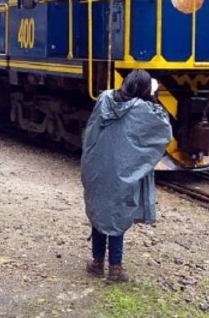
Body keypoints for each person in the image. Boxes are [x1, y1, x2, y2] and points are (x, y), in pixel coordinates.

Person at [81, 69, 172, 281]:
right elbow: (164, 131)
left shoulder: (104, 99)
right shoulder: (146, 109)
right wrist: (154, 98)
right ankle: (115, 268)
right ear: (145, 88)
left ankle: (97, 263)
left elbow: (90, 131)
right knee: (117, 214)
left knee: (99, 211)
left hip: (97, 166)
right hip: (124, 171)